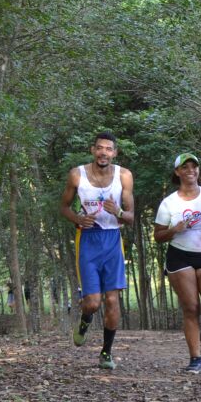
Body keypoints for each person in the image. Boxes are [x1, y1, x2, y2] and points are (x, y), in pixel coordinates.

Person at [58, 131, 134, 370]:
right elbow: (64, 207)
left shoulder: (124, 176)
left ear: (115, 153)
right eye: (100, 148)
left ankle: (106, 352)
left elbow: (130, 216)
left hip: (112, 240)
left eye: (109, 149)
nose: (104, 153)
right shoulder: (77, 175)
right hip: (88, 239)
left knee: (112, 300)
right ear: (92, 150)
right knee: (92, 302)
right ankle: (85, 320)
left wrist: (117, 212)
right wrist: (78, 219)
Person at [153, 152, 201, 375]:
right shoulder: (169, 203)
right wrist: (173, 230)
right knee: (191, 308)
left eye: (194, 167)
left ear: (198, 170)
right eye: (185, 167)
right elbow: (158, 236)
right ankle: (195, 358)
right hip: (180, 255)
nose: (190, 171)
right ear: (177, 172)